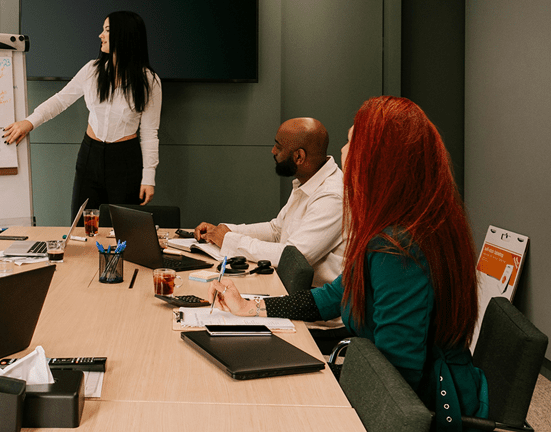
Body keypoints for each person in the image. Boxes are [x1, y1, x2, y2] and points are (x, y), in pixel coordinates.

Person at [207, 97, 488, 430]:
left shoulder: (397, 249)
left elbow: (397, 380)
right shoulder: (398, 227)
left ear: (376, 161)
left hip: (417, 406)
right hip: (387, 391)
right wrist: (251, 307)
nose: (341, 152)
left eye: (350, 142)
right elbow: (331, 297)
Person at [3, 10, 161, 217]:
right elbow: (61, 100)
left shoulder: (149, 81)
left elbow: (150, 133)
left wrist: (148, 177)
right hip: (90, 156)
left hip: (126, 161)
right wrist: (29, 122)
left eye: (107, 30)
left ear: (124, 35)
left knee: (122, 230)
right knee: (81, 226)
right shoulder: (92, 70)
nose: (100, 35)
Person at [195, 117, 345, 288]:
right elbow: (276, 230)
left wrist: (230, 240)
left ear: (299, 157)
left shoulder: (332, 196)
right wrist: (224, 231)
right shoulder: (309, 179)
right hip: (292, 287)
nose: (273, 151)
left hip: (317, 301)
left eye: (279, 147)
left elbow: (293, 257)